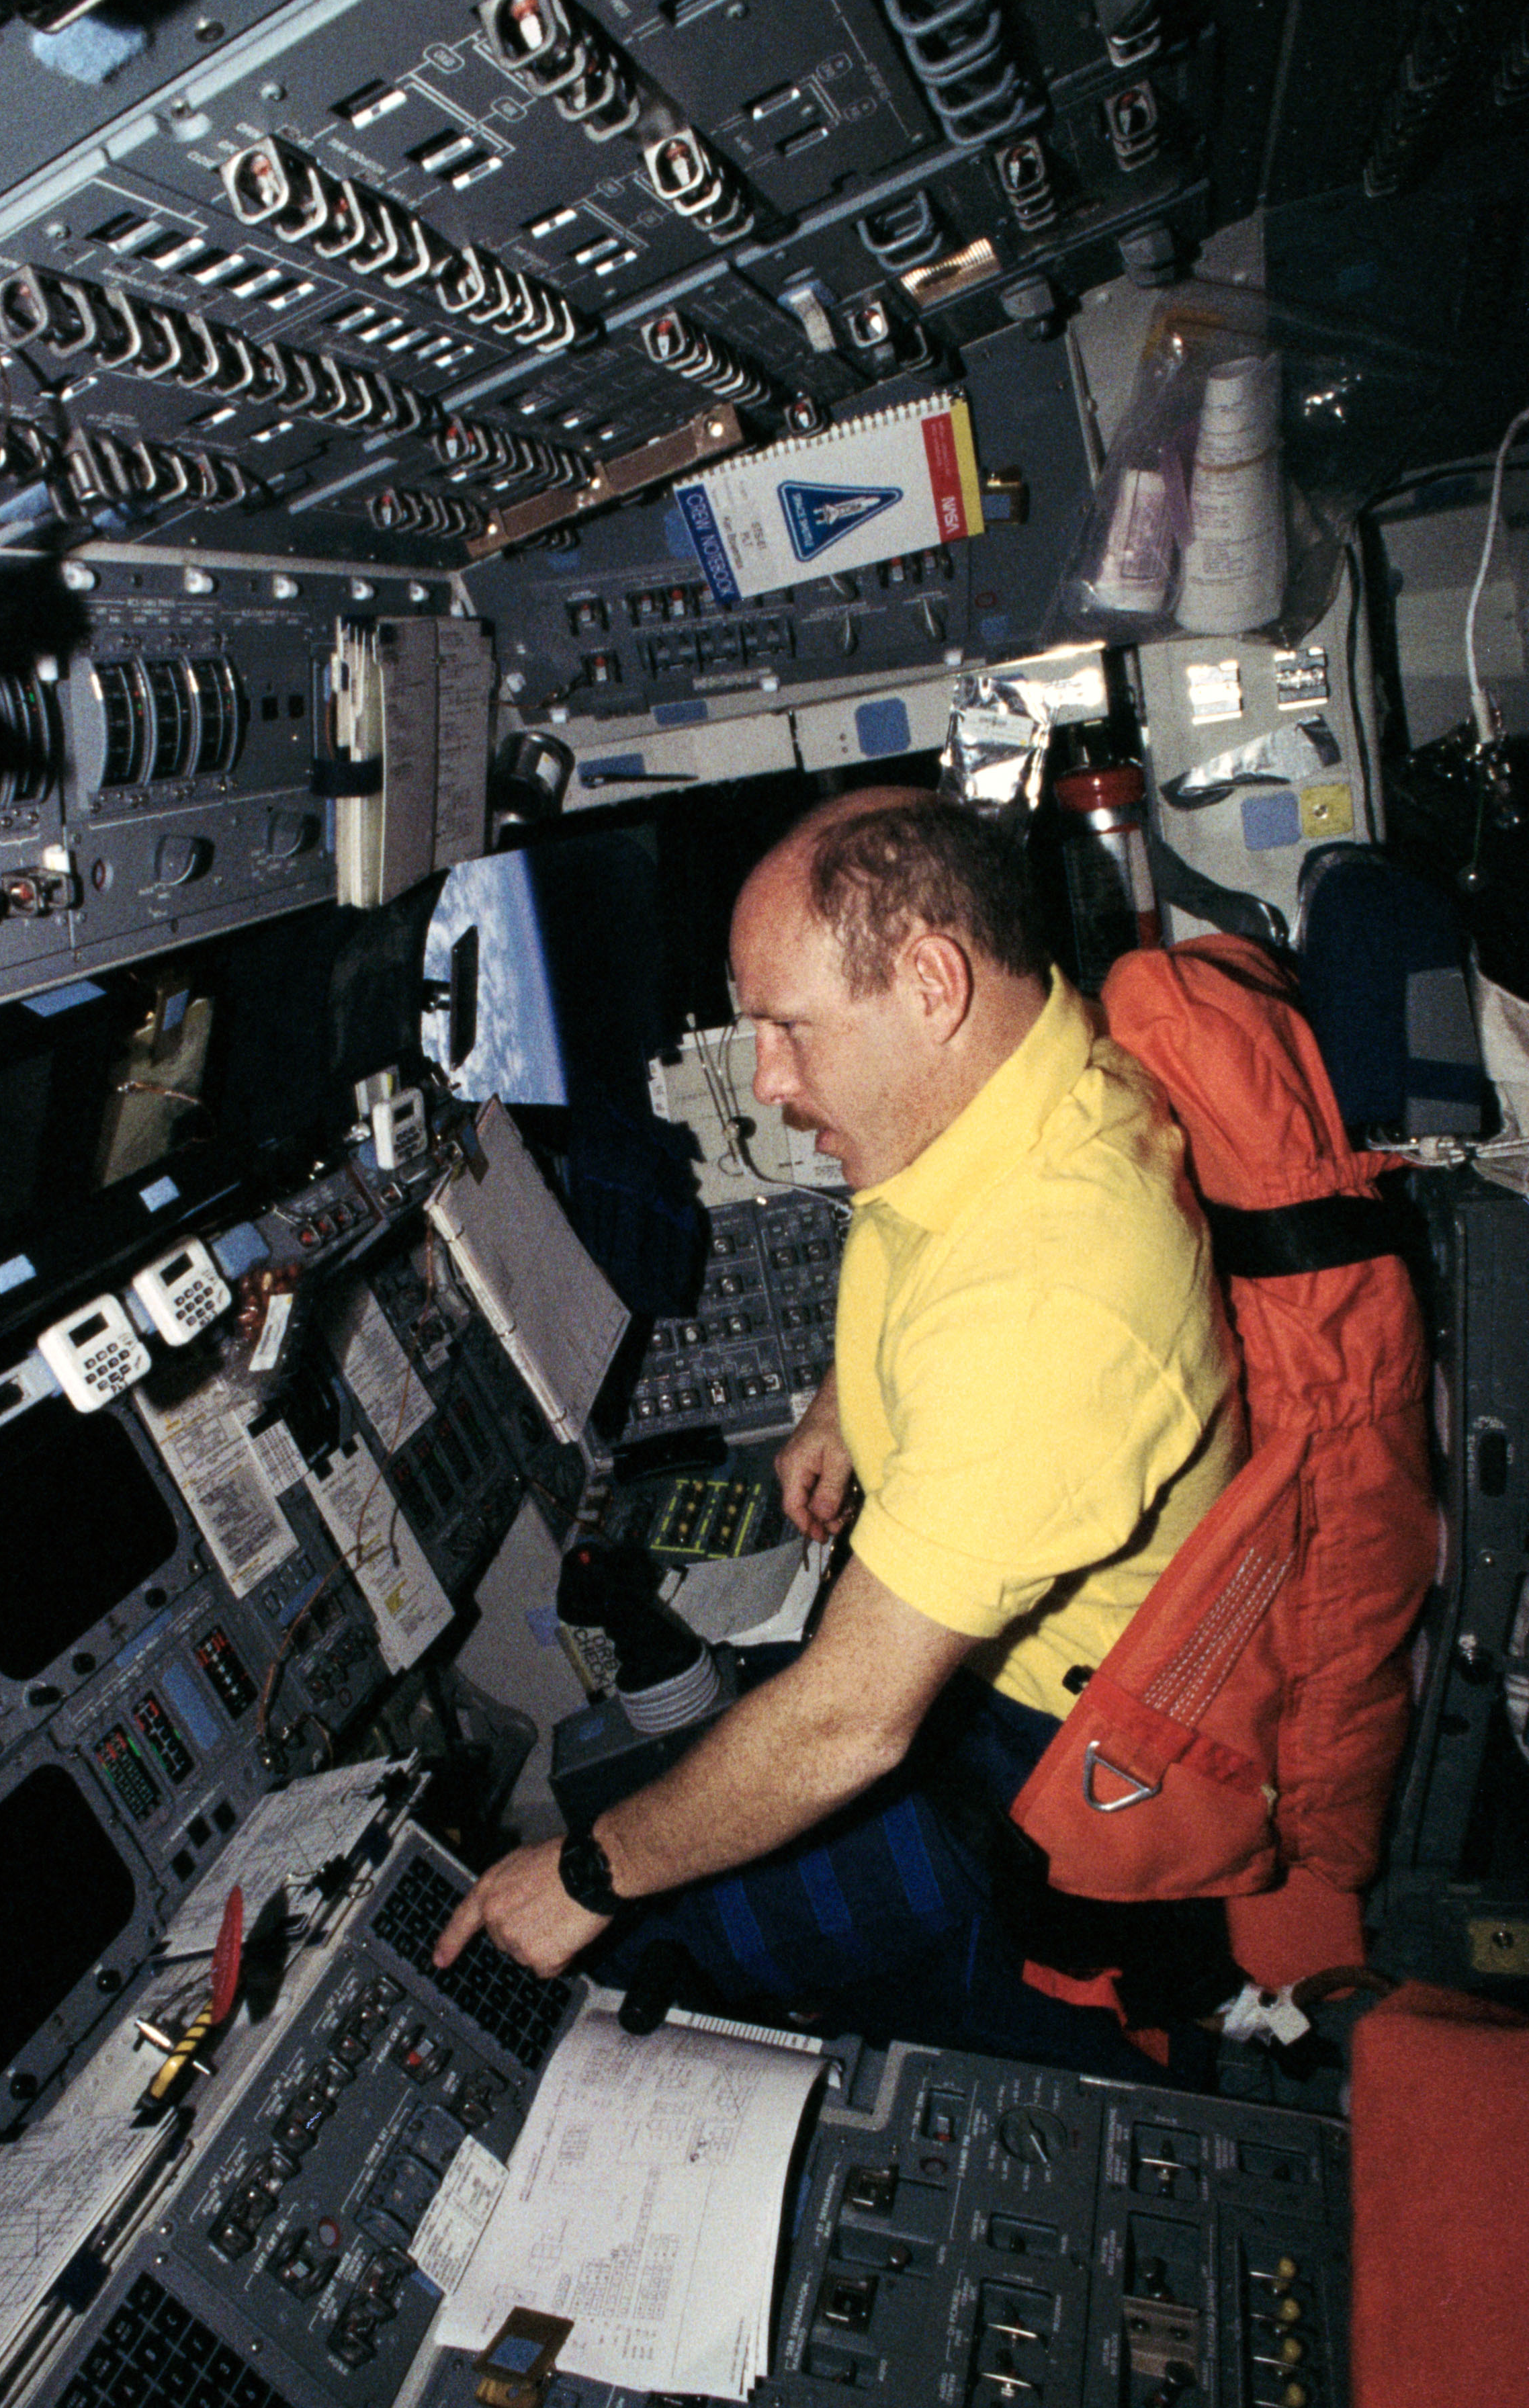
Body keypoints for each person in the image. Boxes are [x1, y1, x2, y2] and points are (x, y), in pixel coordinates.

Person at [434, 787, 1243, 2056]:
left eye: (786, 1028)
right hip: (959, 1676)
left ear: (930, 982)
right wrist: (843, 1404)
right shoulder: (1009, 1099)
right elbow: (914, 1235)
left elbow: (850, 1724)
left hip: (1013, 1767)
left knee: (632, 1937)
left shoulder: (1051, 1301)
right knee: (660, 1785)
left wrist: (587, 1879)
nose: (765, 1081)